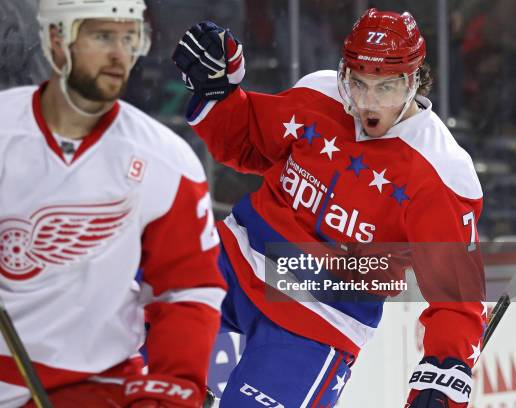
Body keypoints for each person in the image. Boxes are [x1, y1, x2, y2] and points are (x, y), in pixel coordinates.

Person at [0, 0, 226, 406]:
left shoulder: (168, 163)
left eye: (130, 37)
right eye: (103, 36)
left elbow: (187, 290)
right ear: (57, 40)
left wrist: (175, 387)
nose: (119, 53)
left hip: (91, 384)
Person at [172, 9, 485, 408]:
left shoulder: (440, 170)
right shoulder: (320, 94)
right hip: (232, 262)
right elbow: (248, 141)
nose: (368, 102)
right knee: (121, 339)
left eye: (385, 88)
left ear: (414, 80)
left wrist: (443, 375)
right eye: (358, 83)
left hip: (321, 317)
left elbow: (456, 294)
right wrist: (218, 92)